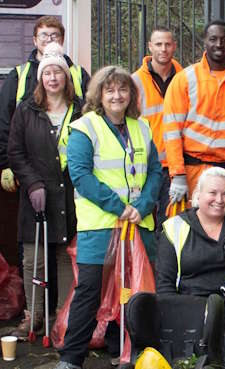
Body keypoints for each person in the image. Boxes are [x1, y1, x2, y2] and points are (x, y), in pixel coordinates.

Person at [56, 66, 164, 369]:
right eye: (110, 90)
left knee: (136, 293)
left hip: (138, 225)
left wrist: (142, 206)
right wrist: (120, 208)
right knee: (89, 292)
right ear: (99, 95)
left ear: (131, 94)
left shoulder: (142, 127)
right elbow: (80, 175)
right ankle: (71, 359)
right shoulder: (84, 127)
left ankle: (134, 353)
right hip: (101, 227)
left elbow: (155, 171)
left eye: (123, 89)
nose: (117, 95)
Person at [126, 167, 225, 361]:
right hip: (189, 309)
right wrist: (174, 321)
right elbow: (165, 284)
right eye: (212, 193)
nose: (219, 200)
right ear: (198, 195)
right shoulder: (174, 227)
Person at [5, 43, 80, 340]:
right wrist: (32, 183)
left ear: (66, 77)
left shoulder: (81, 110)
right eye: (47, 72)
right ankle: (33, 315)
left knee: (64, 255)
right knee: (33, 258)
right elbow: (15, 151)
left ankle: (64, 315)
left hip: (70, 194)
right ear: (40, 78)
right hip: (37, 194)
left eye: (58, 72)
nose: (52, 78)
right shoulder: (27, 110)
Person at [160, 20, 225, 209]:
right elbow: (172, 131)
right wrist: (178, 175)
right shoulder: (185, 79)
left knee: (224, 234)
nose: (219, 44)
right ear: (205, 42)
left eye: (224, 39)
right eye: (213, 39)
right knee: (185, 232)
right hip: (191, 172)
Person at [0, 16, 91, 193]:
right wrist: (6, 164)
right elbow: (3, 120)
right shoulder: (19, 74)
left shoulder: (79, 74)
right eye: (44, 35)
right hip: (31, 169)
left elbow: (93, 116)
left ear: (62, 40)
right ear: (34, 40)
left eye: (54, 35)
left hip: (72, 171)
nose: (49, 40)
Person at [131, 27, 184, 229]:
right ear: (150, 47)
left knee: (172, 224)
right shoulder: (135, 80)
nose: (163, 49)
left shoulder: (185, 78)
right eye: (159, 44)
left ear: (174, 47)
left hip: (177, 166)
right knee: (145, 222)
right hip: (148, 164)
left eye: (168, 44)